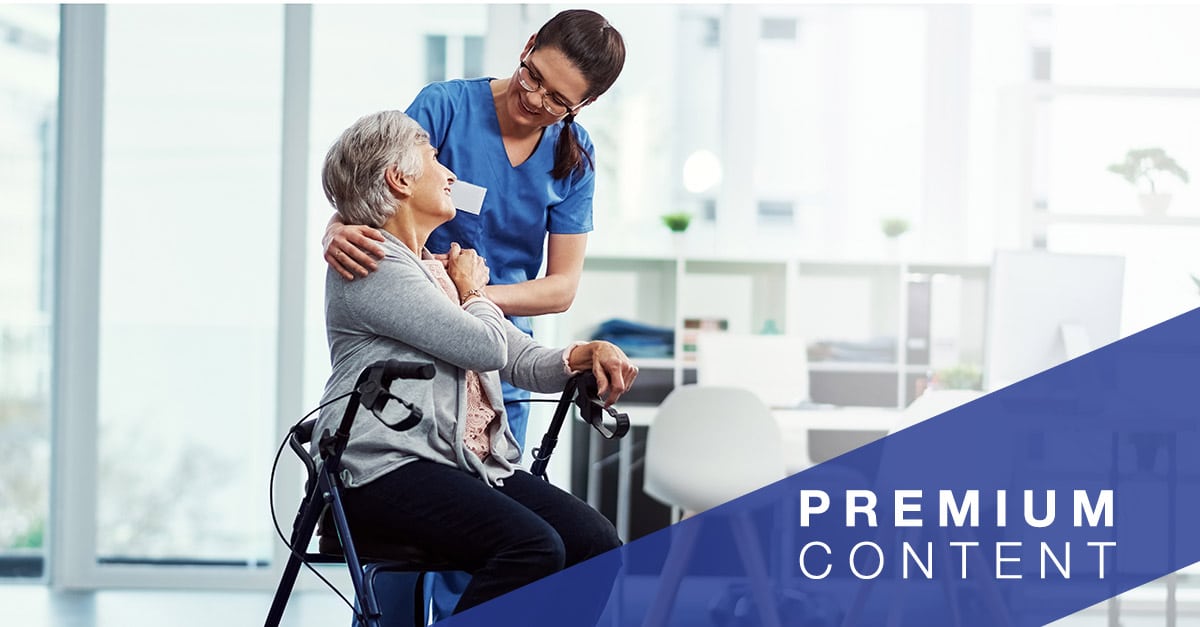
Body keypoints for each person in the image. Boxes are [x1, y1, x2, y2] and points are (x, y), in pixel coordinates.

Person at [316, 109, 636, 620]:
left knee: (596, 546)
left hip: (464, 466)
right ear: (400, 179)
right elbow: (485, 346)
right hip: (385, 471)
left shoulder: (432, 269)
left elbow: (516, 355)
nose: (450, 175)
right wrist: (474, 290)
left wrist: (579, 356)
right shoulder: (375, 266)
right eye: (436, 160)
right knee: (533, 547)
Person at [322, 8, 626, 451]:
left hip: (501, 350)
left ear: (584, 105)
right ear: (528, 46)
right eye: (533, 76)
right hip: (416, 347)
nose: (536, 99)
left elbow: (561, 288)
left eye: (558, 100)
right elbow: (379, 180)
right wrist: (333, 230)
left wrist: (470, 296)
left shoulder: (575, 158)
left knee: (497, 486)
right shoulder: (446, 108)